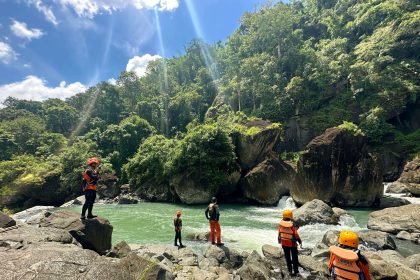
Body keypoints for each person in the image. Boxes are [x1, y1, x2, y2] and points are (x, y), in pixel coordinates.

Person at [278, 209, 302, 277]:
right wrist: (300, 241)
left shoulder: (280, 225)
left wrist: (280, 242)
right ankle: (296, 272)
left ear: (283, 216)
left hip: (284, 243)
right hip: (292, 244)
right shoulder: (292, 225)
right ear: (290, 216)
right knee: (294, 258)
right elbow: (296, 235)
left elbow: (279, 234)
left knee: (287, 257)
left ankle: (290, 271)